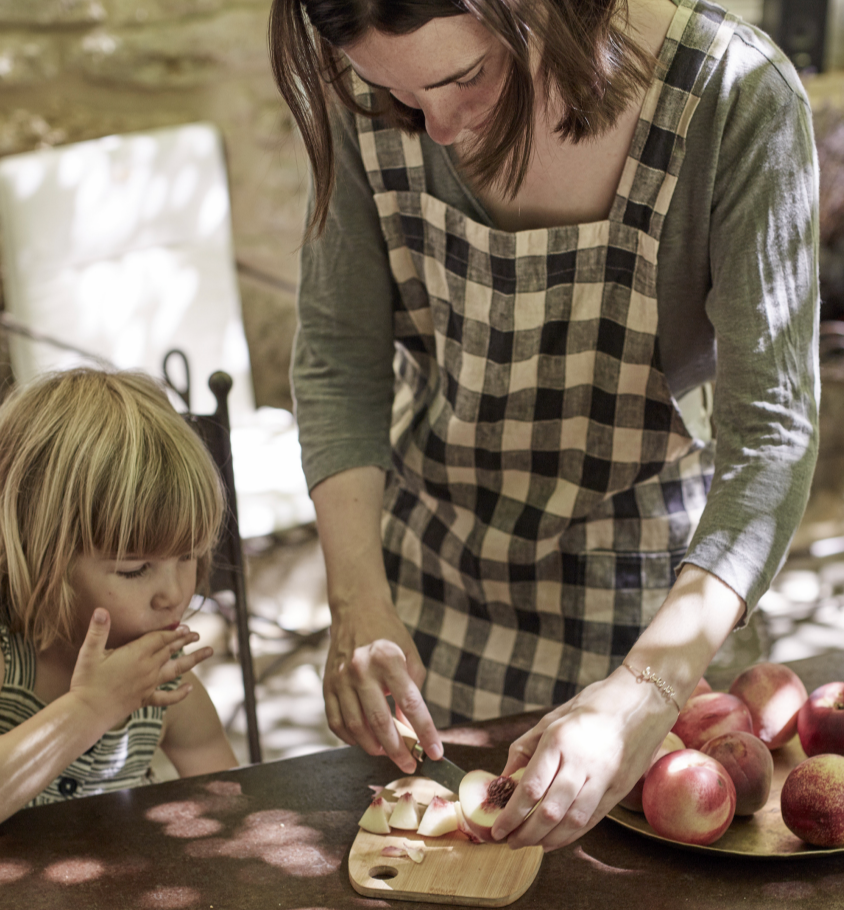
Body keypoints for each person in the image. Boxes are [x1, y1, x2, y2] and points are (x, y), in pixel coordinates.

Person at [270, 0, 821, 850]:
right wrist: (357, 601)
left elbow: (771, 438)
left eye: (465, 76)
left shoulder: (734, 100)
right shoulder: (373, 83)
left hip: (658, 601)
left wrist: (646, 692)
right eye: (399, 94)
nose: (438, 128)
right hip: (434, 600)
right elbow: (339, 363)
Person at [0, 368, 238, 845]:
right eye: (134, 568)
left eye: (188, 556)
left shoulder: (160, 677)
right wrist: (91, 708)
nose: (174, 593)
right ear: (39, 555)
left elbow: (228, 803)